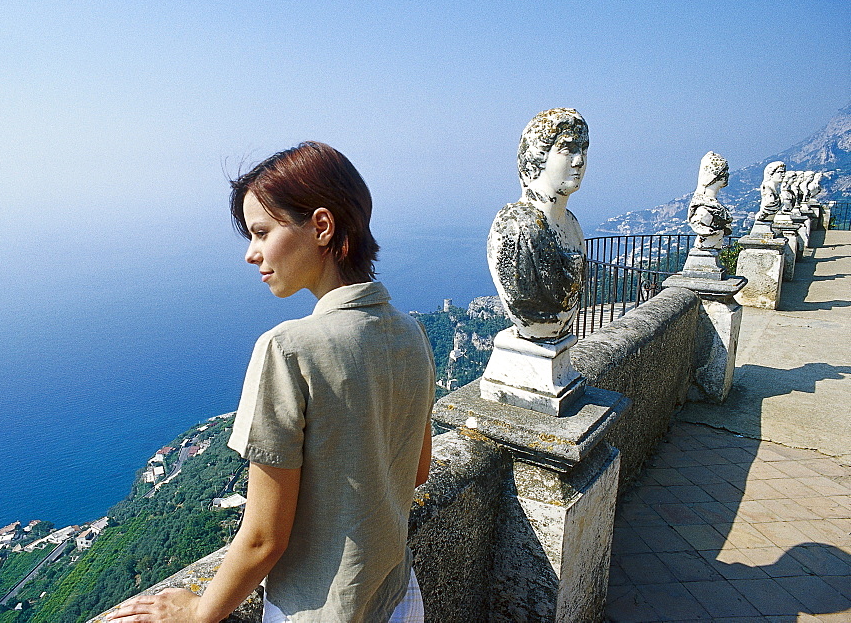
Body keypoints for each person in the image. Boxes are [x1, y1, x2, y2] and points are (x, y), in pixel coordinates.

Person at [107, 141, 435, 623]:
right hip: (399, 599)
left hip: (319, 609)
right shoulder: (412, 334)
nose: (251, 254)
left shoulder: (289, 348)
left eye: (261, 232)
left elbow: (263, 538)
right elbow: (419, 469)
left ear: (321, 226)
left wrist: (197, 611)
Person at [487, 108, 588, 342]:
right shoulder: (514, 227)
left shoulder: (572, 225)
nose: (579, 160)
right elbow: (527, 306)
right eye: (568, 149)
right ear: (538, 156)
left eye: (583, 149)